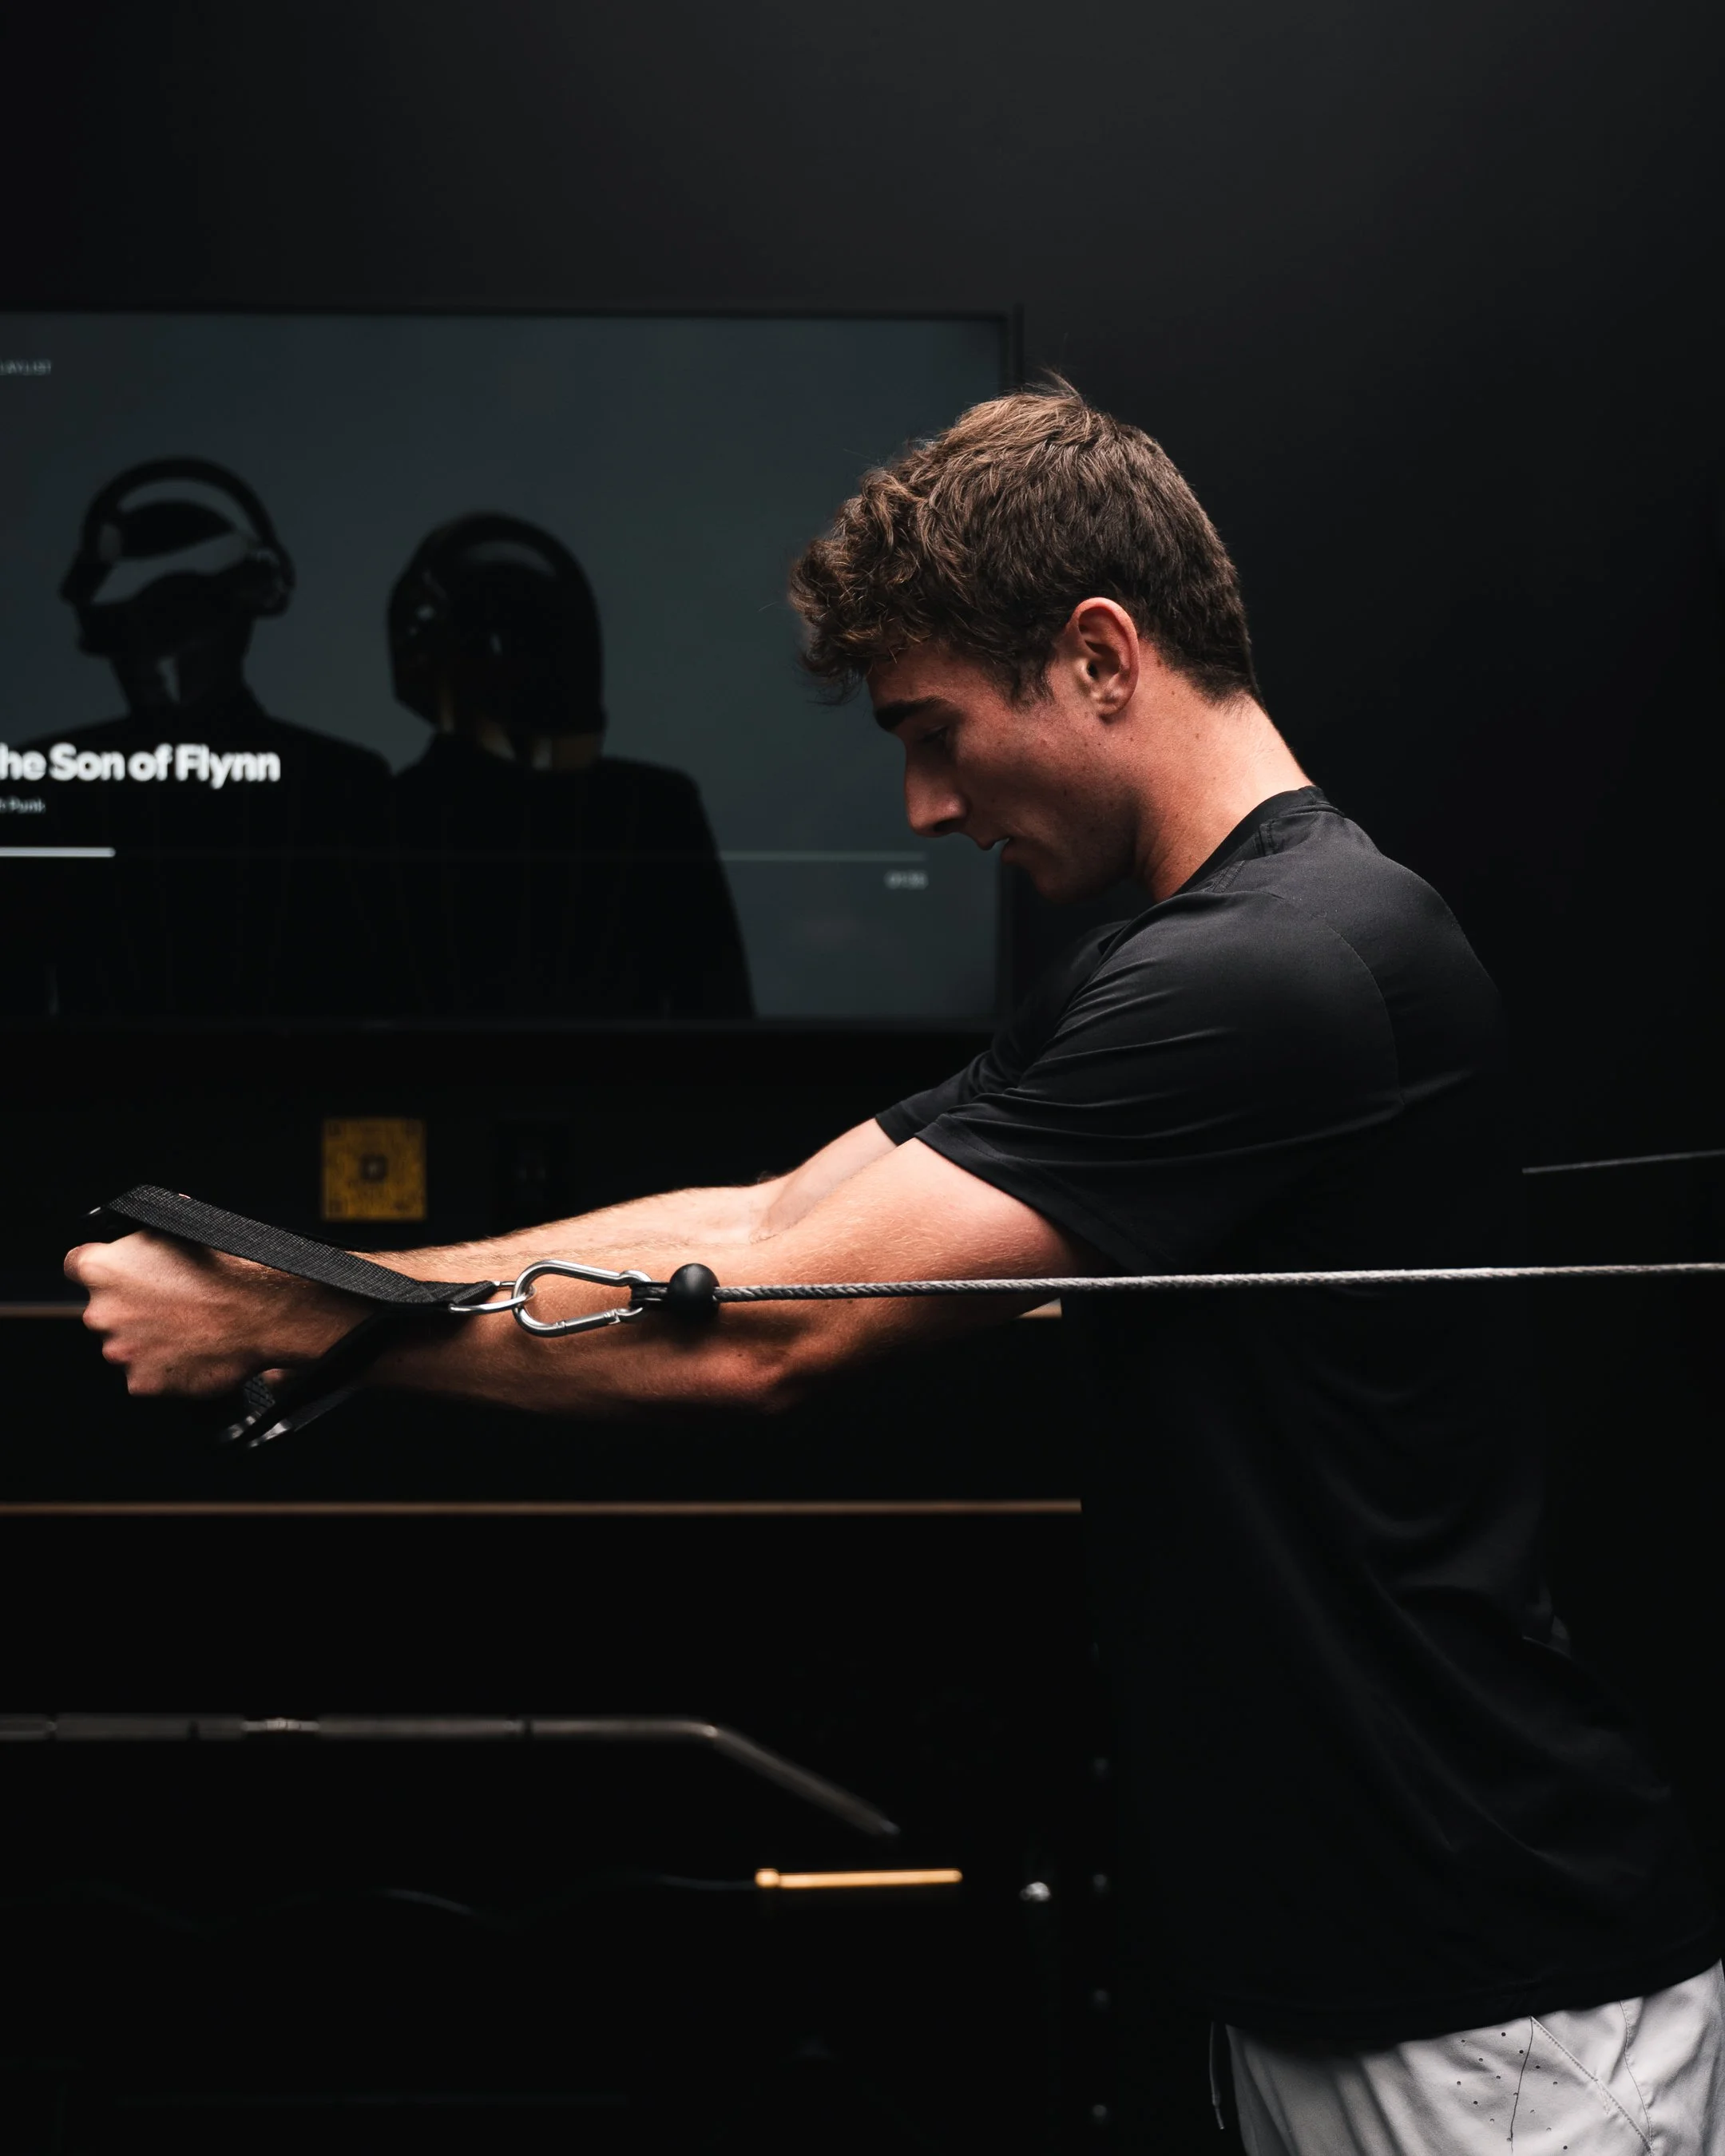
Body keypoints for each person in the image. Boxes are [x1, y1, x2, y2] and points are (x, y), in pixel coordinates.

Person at [65, 386, 1721, 2154]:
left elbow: (771, 1337)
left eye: (936, 730)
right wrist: (303, 1279)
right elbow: (777, 1223)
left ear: (1099, 654)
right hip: (1362, 1977)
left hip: (1492, 2007)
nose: (927, 807)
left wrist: (299, 1325)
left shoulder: (1283, 974)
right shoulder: (1186, 965)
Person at [10, 458, 392, 1018]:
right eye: (120, 627)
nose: (141, 654)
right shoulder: (40, 792)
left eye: (164, 616)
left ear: (237, 612)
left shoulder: (343, 786)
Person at [385, 512, 752, 1019]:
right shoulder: (651, 809)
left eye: (543, 641)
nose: (534, 672)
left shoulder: (653, 809)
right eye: (518, 645)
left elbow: (719, 1011)